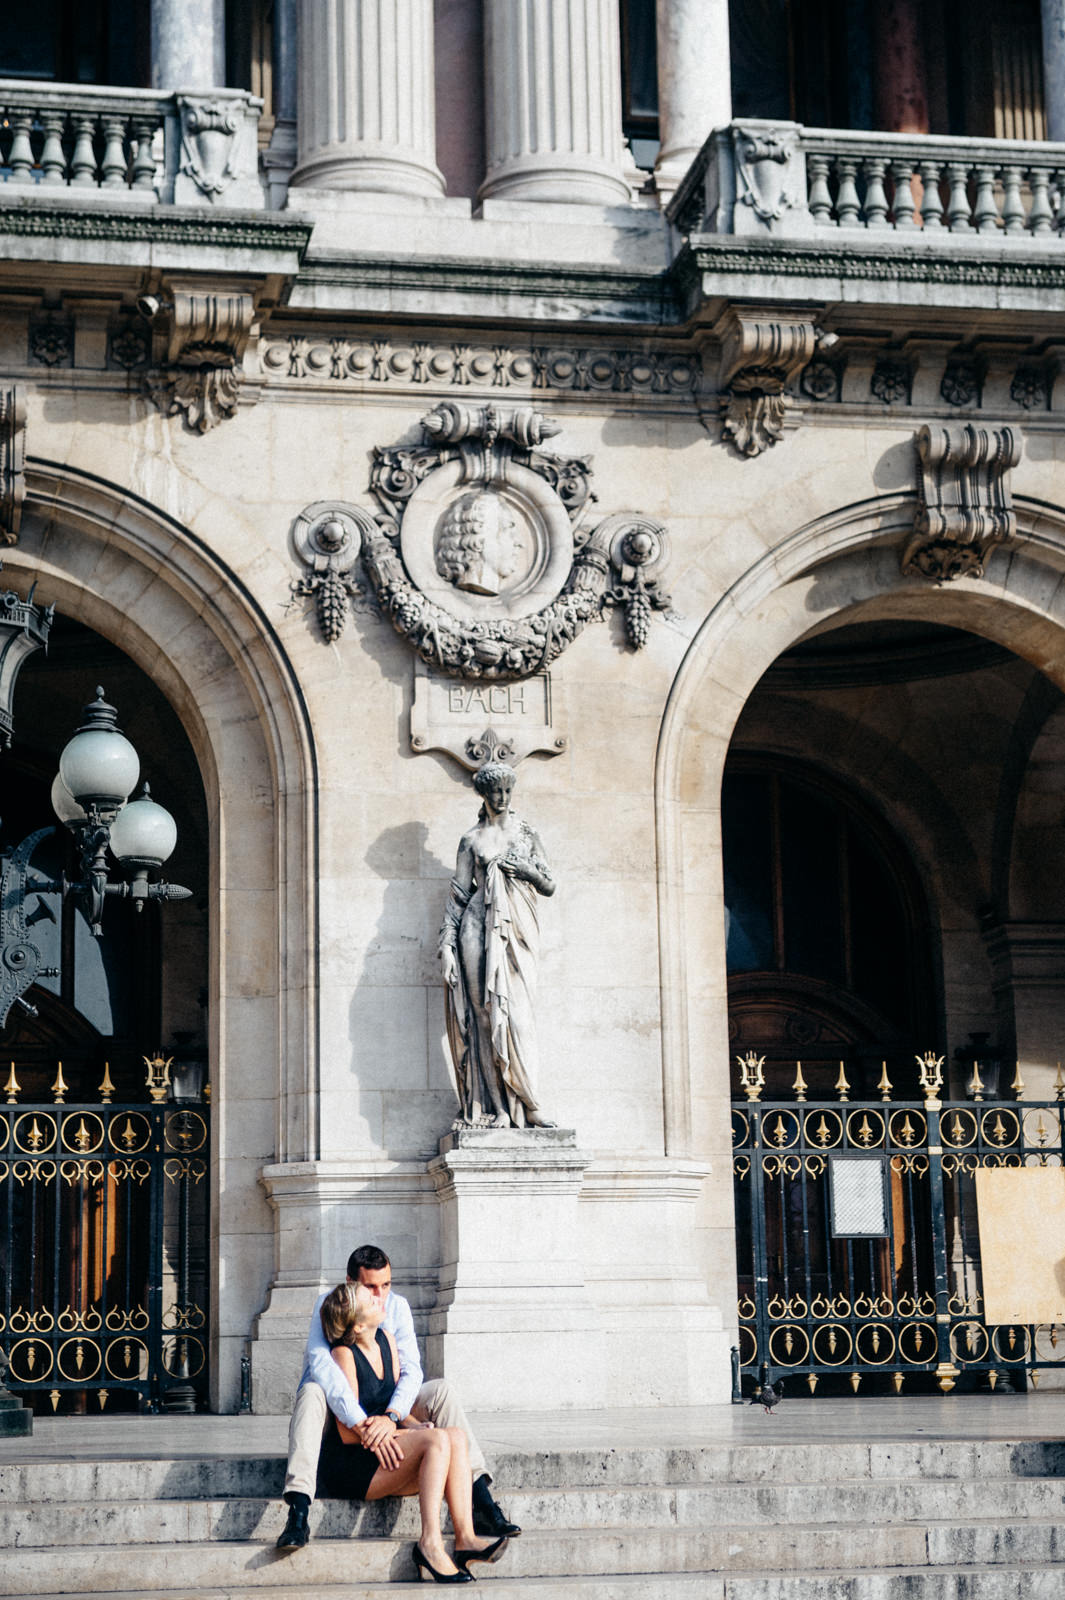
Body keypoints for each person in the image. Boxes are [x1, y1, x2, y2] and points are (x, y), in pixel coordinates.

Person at [277, 1244, 519, 1549]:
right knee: (311, 1391)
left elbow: (411, 1372)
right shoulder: (329, 1304)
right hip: (338, 1411)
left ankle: (481, 1500)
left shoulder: (396, 1308)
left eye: (386, 1285)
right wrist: (364, 1424)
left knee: (441, 1390)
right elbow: (324, 1369)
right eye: (371, 1287)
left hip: (386, 1407)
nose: (381, 1295)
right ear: (351, 1282)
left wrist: (393, 1417)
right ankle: (298, 1510)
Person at [313, 1282, 508, 1583]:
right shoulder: (344, 1355)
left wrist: (415, 1427)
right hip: (354, 1465)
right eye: (369, 1299)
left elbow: (392, 1404)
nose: (380, 1298)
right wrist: (406, 1437)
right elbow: (348, 1433)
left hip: (385, 1454)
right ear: (358, 1323)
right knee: (437, 1440)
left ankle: (465, 1538)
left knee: (453, 1435)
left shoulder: (387, 1340)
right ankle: (429, 1543)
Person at [439, 760, 557, 1127]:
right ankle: (496, 1109)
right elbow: (459, 896)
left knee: (517, 1016)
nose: (502, 798)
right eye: (495, 791)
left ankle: (528, 1103)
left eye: (507, 791)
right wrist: (445, 946)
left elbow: (549, 884)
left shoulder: (526, 832)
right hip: (474, 926)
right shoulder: (471, 839)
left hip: (516, 929)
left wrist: (524, 870)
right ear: (483, 794)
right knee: (482, 1017)